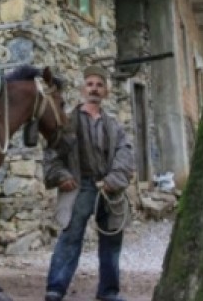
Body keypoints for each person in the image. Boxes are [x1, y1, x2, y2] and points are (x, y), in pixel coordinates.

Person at [42, 65, 135, 301]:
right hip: (79, 186)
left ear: (106, 92)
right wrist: (61, 176)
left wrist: (114, 180)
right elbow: (53, 152)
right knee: (70, 237)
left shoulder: (113, 125)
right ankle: (55, 288)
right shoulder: (68, 121)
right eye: (90, 84)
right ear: (83, 89)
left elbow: (125, 153)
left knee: (112, 238)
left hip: (108, 188)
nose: (94, 89)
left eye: (99, 85)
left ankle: (109, 291)